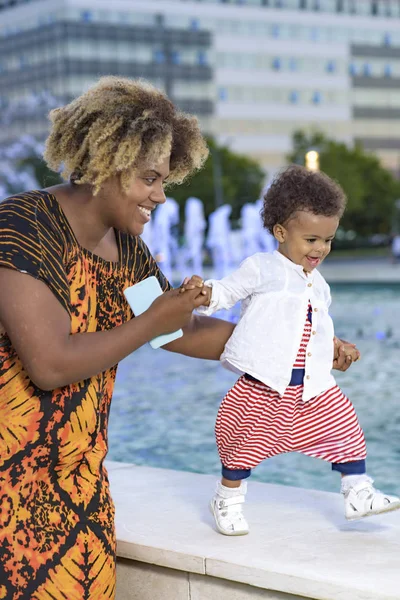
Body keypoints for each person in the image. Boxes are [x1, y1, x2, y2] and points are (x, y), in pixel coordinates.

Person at [0, 77, 238, 599]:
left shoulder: (127, 249)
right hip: (6, 492)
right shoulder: (24, 225)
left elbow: (181, 333)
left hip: (79, 492)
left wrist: (291, 343)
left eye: (165, 181)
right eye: (149, 178)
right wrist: (155, 318)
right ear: (105, 163)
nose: (159, 195)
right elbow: (51, 364)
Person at [183, 165, 400, 536]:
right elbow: (227, 291)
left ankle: (357, 491)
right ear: (281, 232)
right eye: (311, 240)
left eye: (327, 240)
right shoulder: (263, 268)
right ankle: (227, 499)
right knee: (243, 441)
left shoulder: (319, 285)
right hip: (267, 382)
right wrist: (203, 293)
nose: (320, 249)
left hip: (312, 386)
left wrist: (336, 345)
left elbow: (314, 326)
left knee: (345, 426)